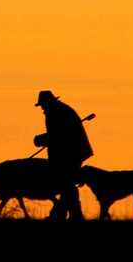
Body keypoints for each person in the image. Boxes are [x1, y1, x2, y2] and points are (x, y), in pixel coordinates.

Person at [33, 90, 92, 221]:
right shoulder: (59, 109)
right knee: (67, 184)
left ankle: (59, 215)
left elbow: (57, 135)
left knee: (65, 184)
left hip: (71, 153)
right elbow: (58, 134)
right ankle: (74, 215)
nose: (42, 107)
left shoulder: (55, 112)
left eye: (42, 104)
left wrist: (40, 140)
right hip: (73, 152)